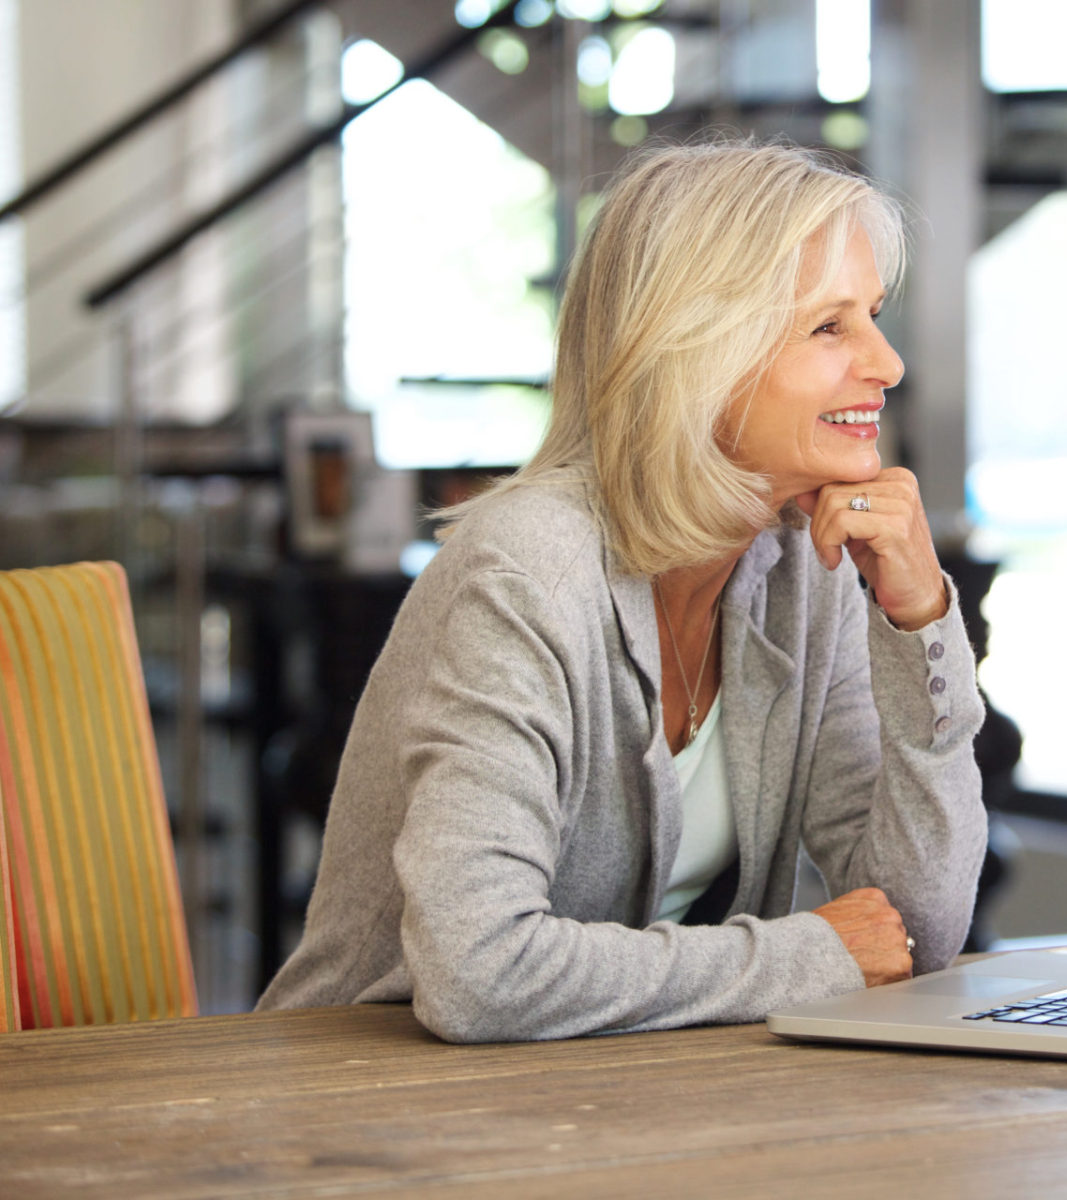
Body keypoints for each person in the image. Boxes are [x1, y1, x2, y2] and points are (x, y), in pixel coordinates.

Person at [256, 140, 988, 1042]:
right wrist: (813, 957)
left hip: (619, 1101)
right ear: (696, 352)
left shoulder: (815, 559)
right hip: (371, 1112)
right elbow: (479, 974)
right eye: (830, 326)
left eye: (873, 316)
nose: (887, 363)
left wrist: (920, 624)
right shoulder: (526, 571)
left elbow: (915, 926)